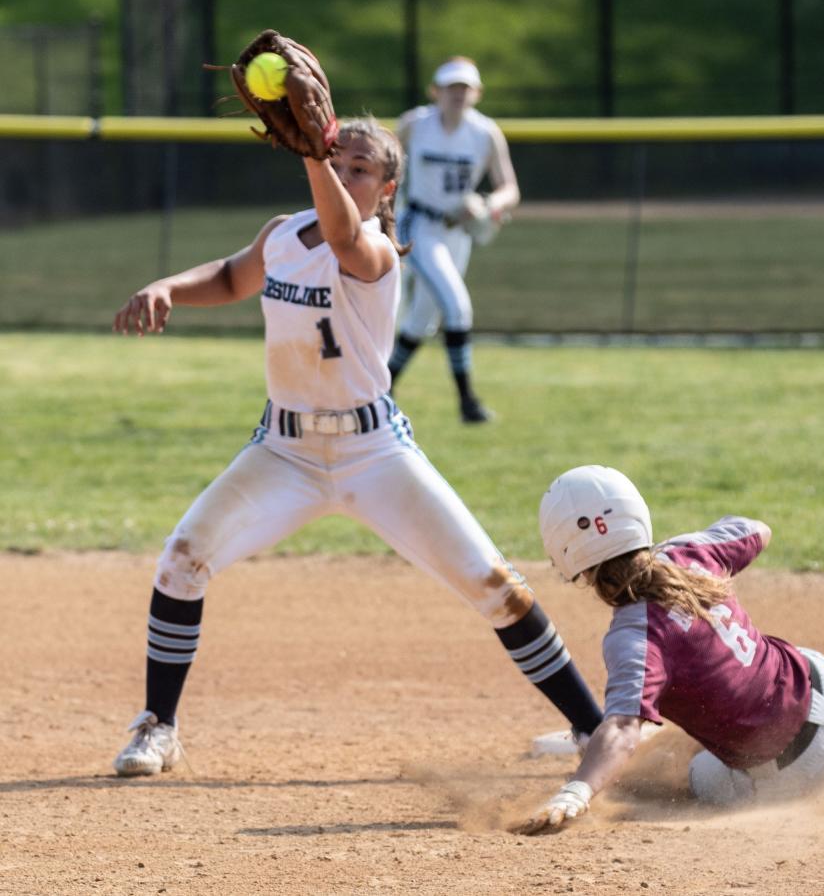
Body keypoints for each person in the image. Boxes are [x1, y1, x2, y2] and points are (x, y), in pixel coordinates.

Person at [110, 116, 601, 776]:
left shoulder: (374, 250)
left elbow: (341, 234)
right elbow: (230, 278)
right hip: (283, 452)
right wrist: (167, 285)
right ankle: (159, 726)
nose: (342, 174)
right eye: (334, 161)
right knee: (181, 560)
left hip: (375, 453)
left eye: (359, 169)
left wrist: (314, 150)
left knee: (495, 586)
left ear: (387, 189)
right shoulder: (281, 234)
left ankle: (594, 729)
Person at [516, 465, 824, 834]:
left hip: (798, 779)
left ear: (568, 555)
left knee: (671, 767)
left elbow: (624, 730)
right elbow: (758, 529)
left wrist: (579, 789)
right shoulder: (690, 554)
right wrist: (694, 545)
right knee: (790, 661)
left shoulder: (633, 637)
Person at [387, 56, 520, 424]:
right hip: (419, 225)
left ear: (476, 93)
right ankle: (468, 403)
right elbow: (386, 168)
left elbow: (510, 189)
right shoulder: (415, 124)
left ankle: (380, 389)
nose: (457, 94)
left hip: (458, 233)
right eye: (451, 87)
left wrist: (488, 204)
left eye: (464, 87)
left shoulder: (485, 133)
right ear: (436, 91)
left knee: (421, 321)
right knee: (458, 307)